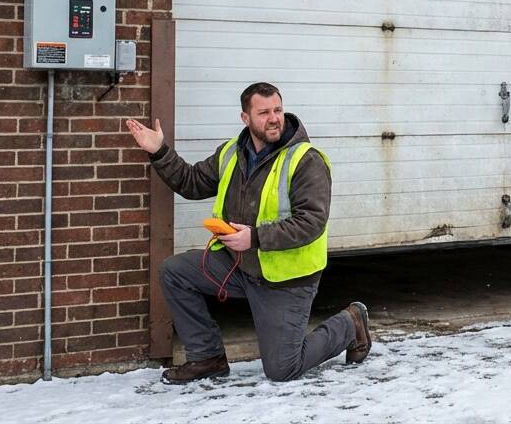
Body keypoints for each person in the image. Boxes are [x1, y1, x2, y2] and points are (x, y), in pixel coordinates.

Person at [125, 82, 371, 384]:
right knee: (175, 272)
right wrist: (159, 151)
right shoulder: (232, 152)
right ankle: (207, 358)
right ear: (246, 118)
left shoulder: (305, 160)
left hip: (285, 279)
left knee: (283, 369)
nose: (274, 118)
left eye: (278, 110)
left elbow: (312, 222)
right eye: (264, 112)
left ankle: (351, 323)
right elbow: (192, 182)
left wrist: (254, 237)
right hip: (240, 267)